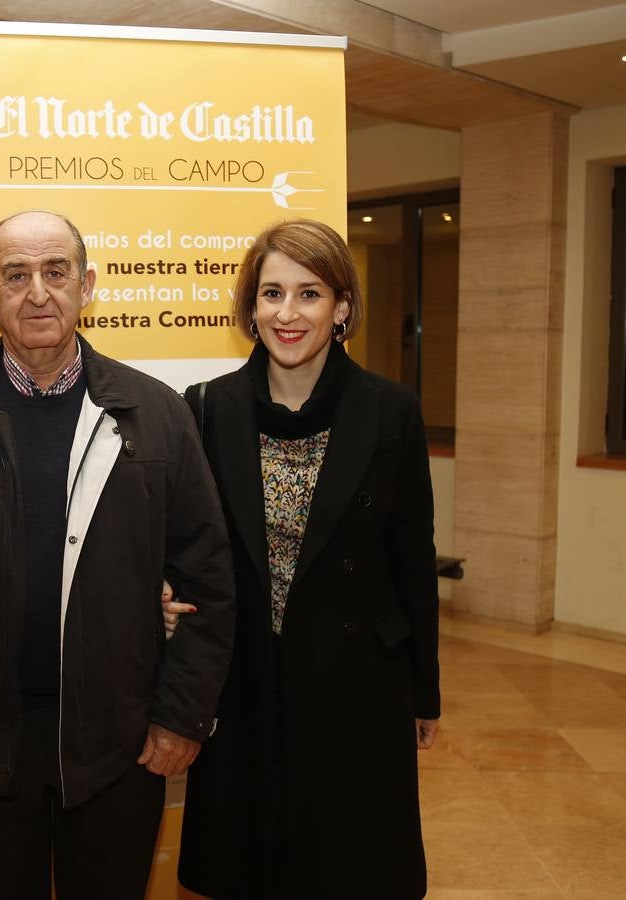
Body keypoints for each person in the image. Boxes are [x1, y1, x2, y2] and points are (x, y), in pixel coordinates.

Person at [0, 210, 236, 899]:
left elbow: (207, 576)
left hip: (120, 742)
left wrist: (181, 715)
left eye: (56, 272)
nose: (38, 292)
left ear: (86, 285)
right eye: (16, 274)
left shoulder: (156, 416)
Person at [177, 218, 441, 899]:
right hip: (244, 682)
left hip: (358, 683)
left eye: (309, 294)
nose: (287, 314)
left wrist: (426, 689)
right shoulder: (205, 409)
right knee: (248, 865)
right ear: (250, 307)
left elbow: (412, 553)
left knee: (350, 866)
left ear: (342, 307)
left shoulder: (391, 411)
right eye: (271, 294)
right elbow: (182, 544)